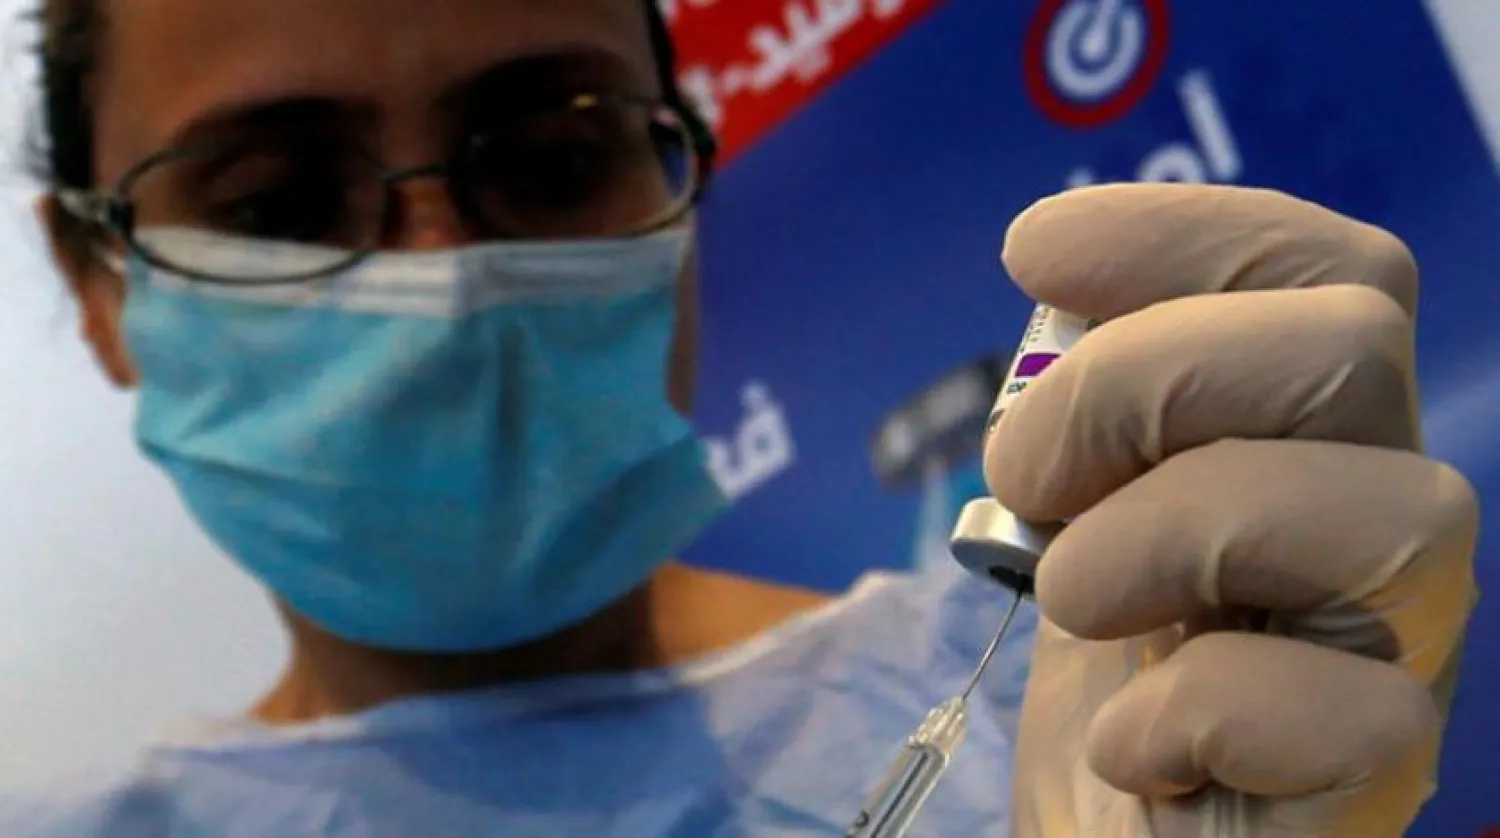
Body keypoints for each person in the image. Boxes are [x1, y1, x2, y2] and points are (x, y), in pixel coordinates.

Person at [0, 0, 1478, 835]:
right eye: (275, 203)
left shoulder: (1081, 721)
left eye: (552, 157)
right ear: (97, 284)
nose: (443, 278)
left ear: (681, 194)